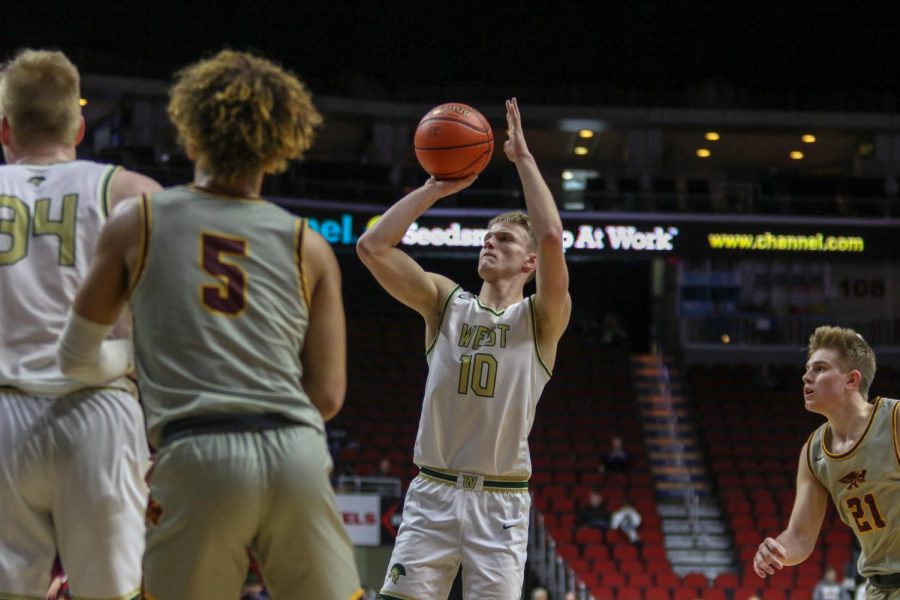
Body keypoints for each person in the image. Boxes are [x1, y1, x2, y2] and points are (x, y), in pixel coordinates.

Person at [57, 49, 362, 599]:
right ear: (280, 146)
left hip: (197, 449)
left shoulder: (139, 220)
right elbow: (328, 393)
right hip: (294, 450)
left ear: (190, 132)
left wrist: (127, 362)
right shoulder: (309, 244)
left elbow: (74, 357)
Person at [358, 98, 571, 599]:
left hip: (499, 501)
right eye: (485, 237)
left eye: (503, 240)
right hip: (432, 490)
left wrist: (523, 160)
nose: (488, 244)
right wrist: (433, 188)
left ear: (529, 264)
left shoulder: (539, 320)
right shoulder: (444, 304)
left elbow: (553, 237)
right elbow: (373, 248)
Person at [0, 48, 160, 600]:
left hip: (1, 415)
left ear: (4, 129)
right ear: (80, 125)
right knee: (112, 593)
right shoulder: (132, 193)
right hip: (99, 410)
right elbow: (173, 331)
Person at [753, 326, 900, 599]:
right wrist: (777, 550)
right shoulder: (813, 452)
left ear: (851, 380)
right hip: (879, 588)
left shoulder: (894, 421)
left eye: (819, 369)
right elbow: (799, 536)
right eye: (808, 368)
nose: (806, 376)